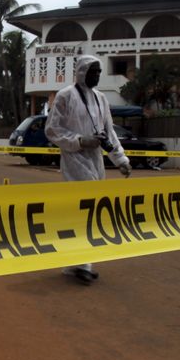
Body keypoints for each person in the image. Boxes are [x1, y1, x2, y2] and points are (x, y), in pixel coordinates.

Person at [45, 55, 132, 284]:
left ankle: (73, 263)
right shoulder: (65, 96)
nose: (97, 76)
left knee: (83, 209)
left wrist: (121, 159)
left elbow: (109, 132)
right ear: (82, 72)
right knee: (87, 207)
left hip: (96, 159)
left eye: (99, 72)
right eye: (93, 72)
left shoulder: (101, 99)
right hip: (74, 158)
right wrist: (80, 140)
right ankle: (83, 263)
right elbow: (52, 130)